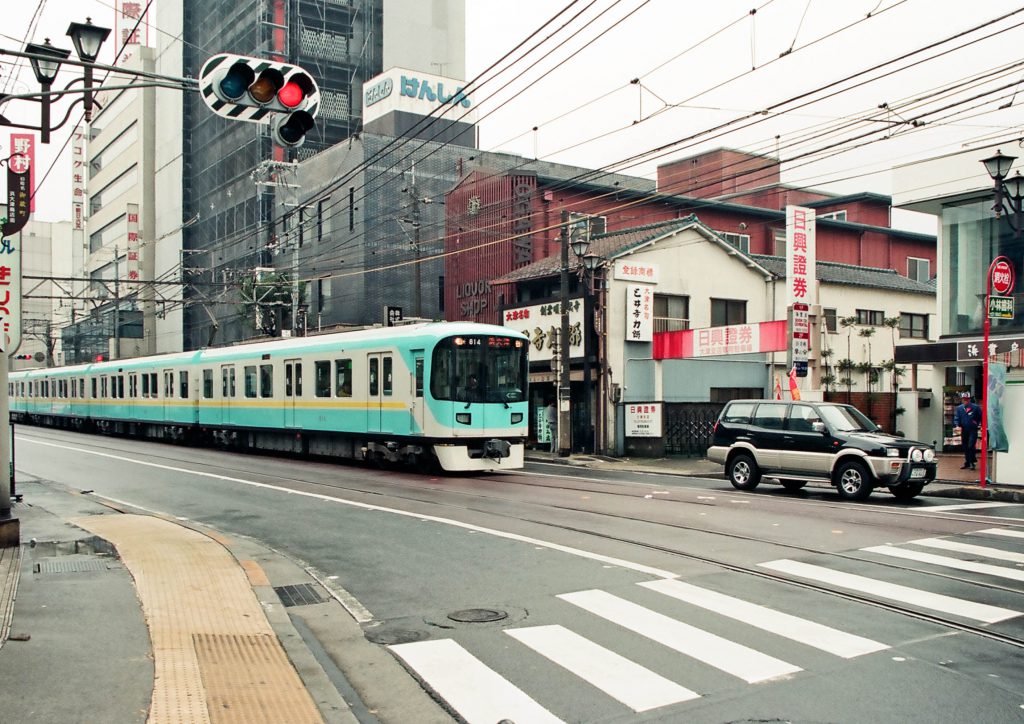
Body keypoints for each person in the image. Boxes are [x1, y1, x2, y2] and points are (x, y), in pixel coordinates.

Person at [953, 391, 982, 470]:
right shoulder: (960, 408)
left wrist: (978, 424)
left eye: (967, 399)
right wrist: (957, 425)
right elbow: (957, 418)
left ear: (969, 399)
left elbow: (981, 417)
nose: (965, 401)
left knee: (971, 445)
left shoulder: (975, 407)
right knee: (965, 446)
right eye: (964, 399)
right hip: (964, 429)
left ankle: (972, 462)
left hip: (973, 429)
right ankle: (967, 462)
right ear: (962, 400)